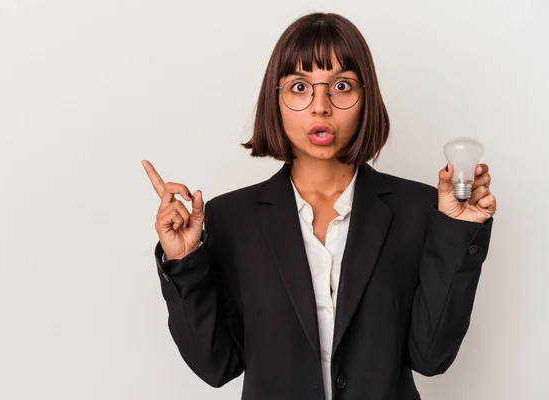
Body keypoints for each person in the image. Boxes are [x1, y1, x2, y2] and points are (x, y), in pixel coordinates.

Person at [141, 12, 496, 400]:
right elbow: (217, 366)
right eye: (299, 87)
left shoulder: (420, 209)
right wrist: (184, 262)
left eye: (341, 85)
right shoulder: (231, 219)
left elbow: (430, 357)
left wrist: (458, 231)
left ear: (366, 98)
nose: (320, 106)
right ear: (275, 99)